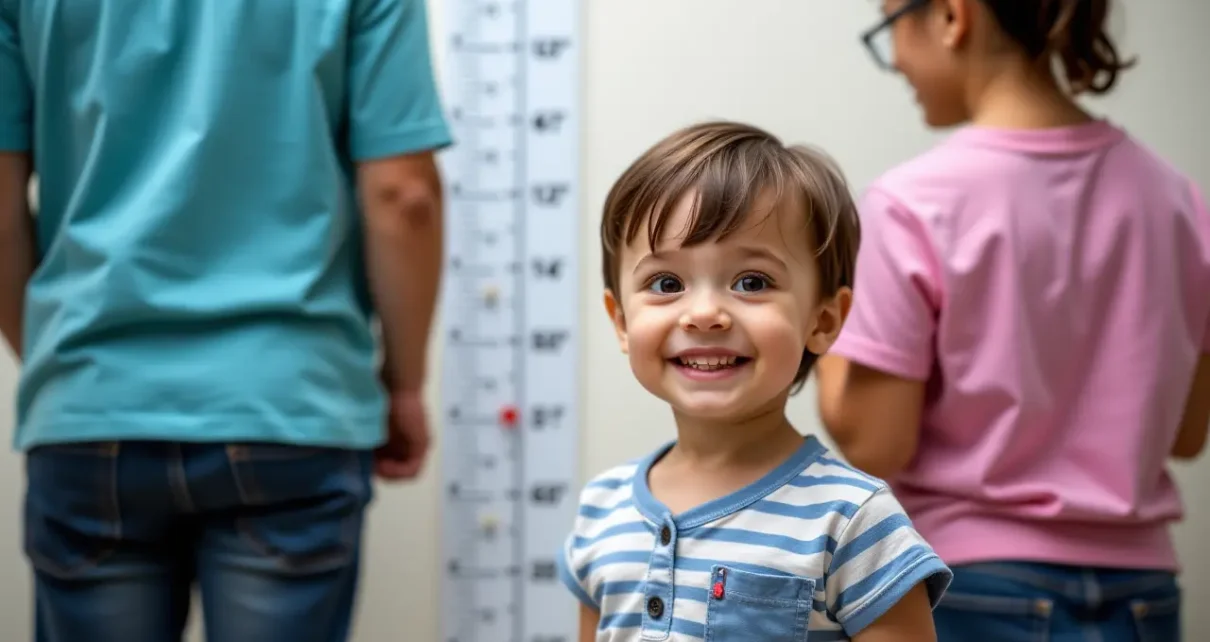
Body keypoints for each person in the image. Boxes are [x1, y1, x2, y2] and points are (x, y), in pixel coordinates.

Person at [0, 1, 450, 640]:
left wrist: (65, 368)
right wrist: (403, 382)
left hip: (90, 402)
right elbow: (404, 195)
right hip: (289, 401)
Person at [815, 0, 1210, 639]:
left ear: (951, 16)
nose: (897, 63)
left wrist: (826, 329)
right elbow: (1187, 433)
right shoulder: (1178, 200)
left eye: (892, 28)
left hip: (976, 584)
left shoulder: (912, 204)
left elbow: (875, 442)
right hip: (1144, 591)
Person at [558, 121, 953, 642]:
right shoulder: (601, 508)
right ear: (622, 322)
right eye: (666, 283)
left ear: (824, 321)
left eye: (751, 282)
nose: (704, 314)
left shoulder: (853, 519)